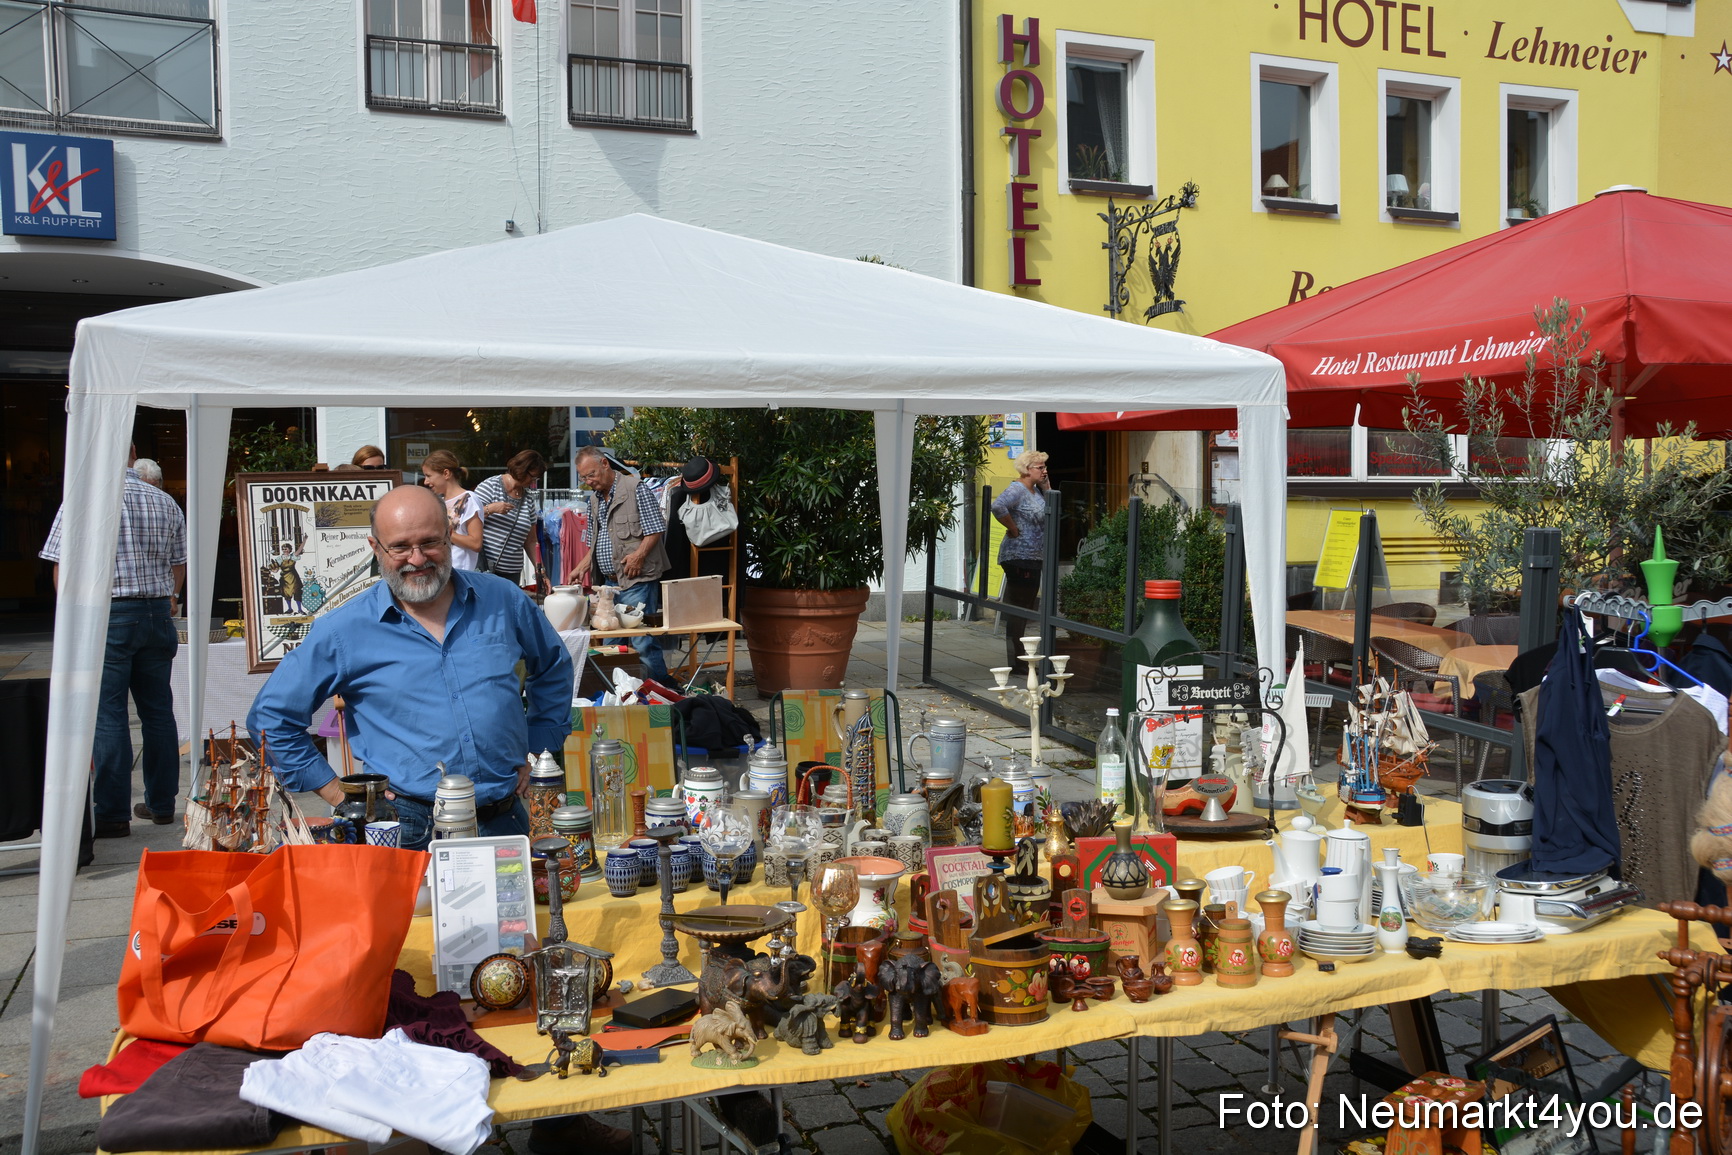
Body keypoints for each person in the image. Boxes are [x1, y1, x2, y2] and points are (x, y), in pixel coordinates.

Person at [247, 484, 573, 851]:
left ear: (450, 537)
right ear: (376, 548)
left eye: (430, 542)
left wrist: (539, 746)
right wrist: (339, 794)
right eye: (400, 547)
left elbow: (553, 666)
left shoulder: (503, 600)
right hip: (406, 829)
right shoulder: (344, 630)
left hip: (506, 820)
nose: (417, 559)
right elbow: (271, 718)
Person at [39, 445, 187, 836]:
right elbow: (178, 563)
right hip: (156, 612)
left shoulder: (86, 499)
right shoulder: (163, 499)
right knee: (158, 711)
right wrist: (169, 599)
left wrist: (72, 617)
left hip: (110, 613)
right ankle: (162, 803)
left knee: (108, 715)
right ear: (133, 453)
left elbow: (62, 568)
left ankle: (113, 812)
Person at [575, 446, 672, 685]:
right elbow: (595, 543)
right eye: (584, 478)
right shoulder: (595, 500)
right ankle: (617, 693)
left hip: (636, 580)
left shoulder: (635, 488)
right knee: (611, 644)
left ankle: (661, 691)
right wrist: (582, 566)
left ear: (605, 464)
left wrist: (638, 556)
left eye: (592, 475)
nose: (589, 481)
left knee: (642, 641)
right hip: (609, 584)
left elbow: (655, 528)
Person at [991, 449, 1050, 667]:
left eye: (1044, 467)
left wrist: (1047, 488)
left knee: (1026, 607)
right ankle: (1017, 660)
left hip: (1033, 556)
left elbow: (1050, 514)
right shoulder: (1017, 488)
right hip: (1019, 556)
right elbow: (997, 506)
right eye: (1040, 467)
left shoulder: (1036, 491)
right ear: (1027, 470)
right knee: (1020, 608)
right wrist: (1013, 528)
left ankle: (1019, 657)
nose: (1044, 471)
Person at [472, 450, 546, 583]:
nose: (533, 482)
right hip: (486, 570)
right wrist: (491, 509)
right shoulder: (491, 486)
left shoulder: (528, 499)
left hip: (513, 573)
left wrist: (540, 570)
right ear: (522, 470)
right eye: (532, 477)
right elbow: (468, 518)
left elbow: (530, 541)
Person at [420, 449, 484, 571]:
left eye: (429, 476)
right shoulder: (439, 501)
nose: (426, 482)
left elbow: (476, 543)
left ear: (446, 473)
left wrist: (442, 532)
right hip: (440, 572)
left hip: (460, 572)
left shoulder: (468, 499)